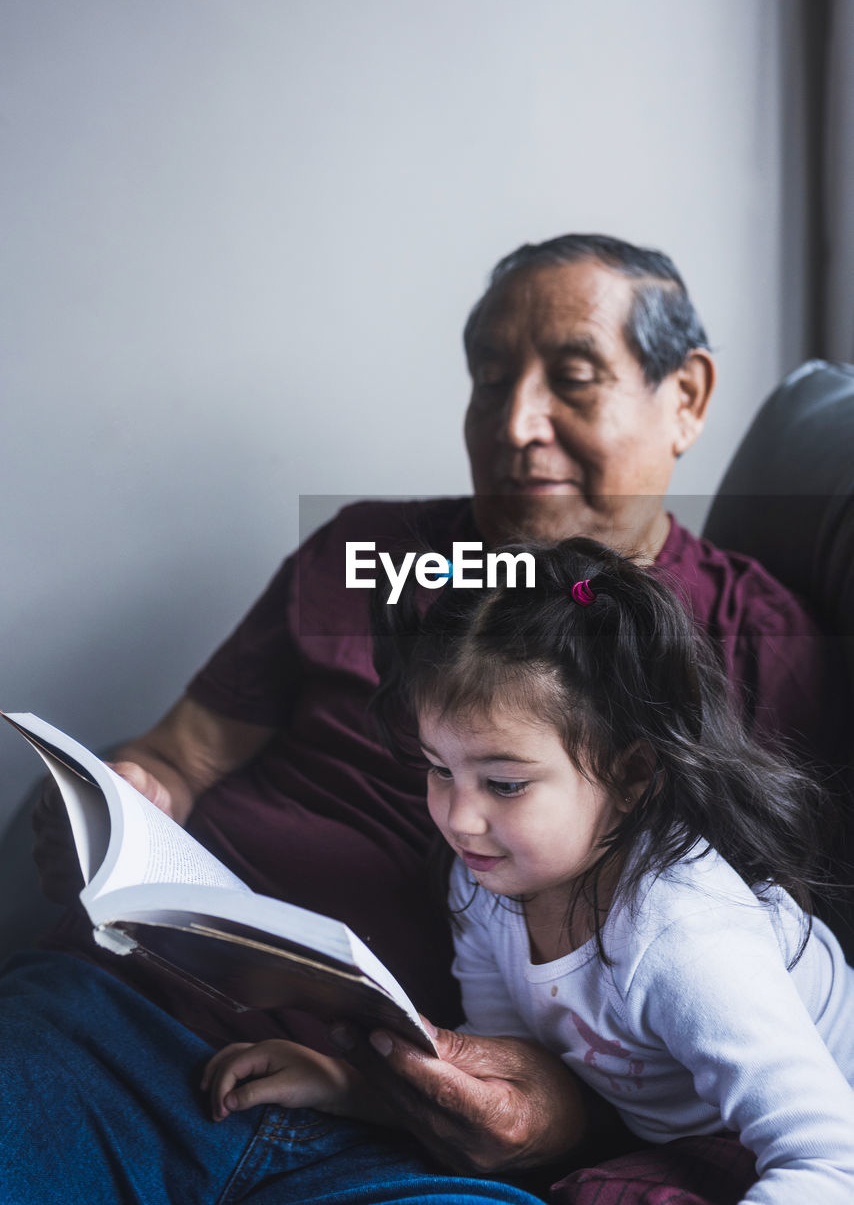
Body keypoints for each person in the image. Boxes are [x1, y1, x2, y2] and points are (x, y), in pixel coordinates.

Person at [15, 234, 842, 1203]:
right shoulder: (365, 551)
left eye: (571, 380)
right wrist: (120, 800)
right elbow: (179, 751)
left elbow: (758, 1043)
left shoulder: (753, 641)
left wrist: (561, 1117)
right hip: (137, 1024)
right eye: (489, 380)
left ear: (685, 397)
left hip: (435, 1139)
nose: (516, 422)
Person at [203, 536, 854, 1204]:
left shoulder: (686, 939)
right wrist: (351, 1089)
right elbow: (509, 1081)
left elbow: (832, 1160)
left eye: (505, 784)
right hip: (655, 1142)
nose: (460, 818)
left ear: (631, 773)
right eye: (439, 769)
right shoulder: (486, 883)